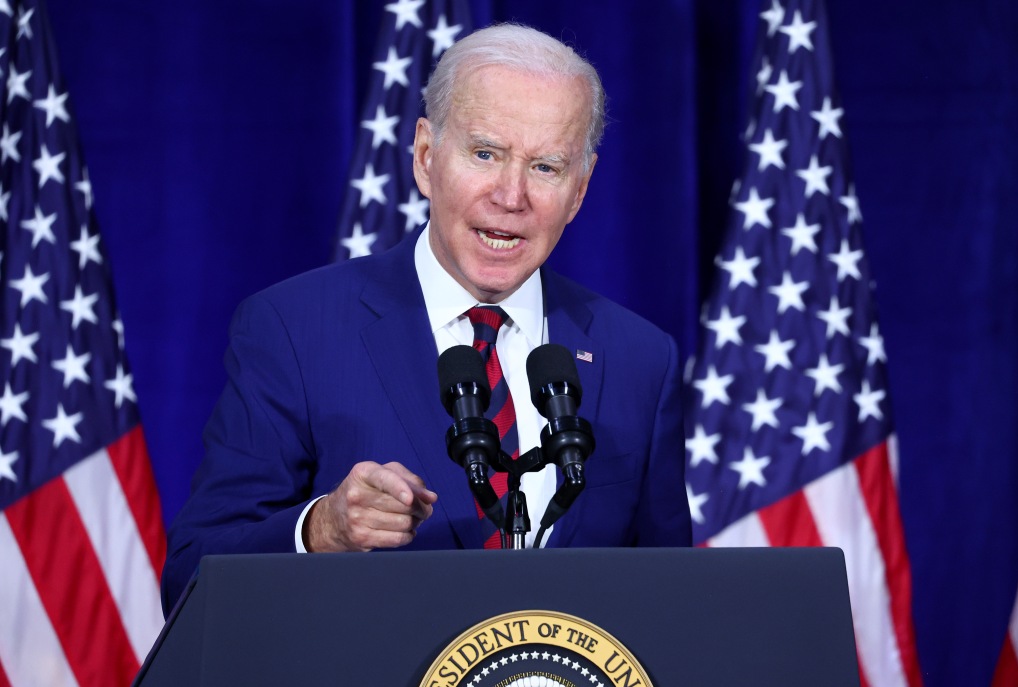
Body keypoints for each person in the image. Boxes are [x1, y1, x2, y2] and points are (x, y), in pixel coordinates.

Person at [161, 23, 691, 614]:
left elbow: (671, 605)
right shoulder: (294, 330)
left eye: (546, 167)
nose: (511, 196)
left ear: (581, 189)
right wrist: (322, 532)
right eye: (485, 153)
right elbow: (190, 579)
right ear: (425, 158)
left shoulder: (641, 359)